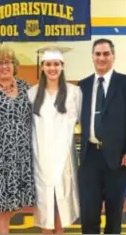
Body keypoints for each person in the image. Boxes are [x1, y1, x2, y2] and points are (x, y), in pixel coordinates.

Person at [78, 38, 126, 234]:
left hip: (118, 158)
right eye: (98, 54)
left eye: (106, 54)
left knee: (114, 214)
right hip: (90, 157)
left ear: (113, 56)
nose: (102, 58)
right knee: (89, 213)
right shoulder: (82, 86)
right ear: (92, 57)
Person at [0, 44, 36, 234]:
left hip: (22, 155)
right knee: (2, 204)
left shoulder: (26, 87)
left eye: (8, 62)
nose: (4, 66)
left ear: (15, 65)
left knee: (20, 200)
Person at [28, 46, 81, 234]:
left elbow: (86, 121)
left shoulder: (75, 93)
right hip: (40, 158)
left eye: (56, 64)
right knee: (45, 212)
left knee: (61, 209)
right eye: (48, 64)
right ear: (42, 67)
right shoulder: (32, 94)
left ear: (62, 66)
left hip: (63, 158)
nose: (52, 68)